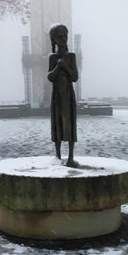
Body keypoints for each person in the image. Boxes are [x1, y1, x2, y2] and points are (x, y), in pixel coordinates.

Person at [47, 24, 78, 166]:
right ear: (54, 40)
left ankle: (71, 156)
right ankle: (58, 155)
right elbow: (50, 77)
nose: (64, 39)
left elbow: (74, 77)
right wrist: (58, 66)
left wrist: (64, 66)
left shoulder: (71, 57)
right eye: (60, 37)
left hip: (69, 94)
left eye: (65, 36)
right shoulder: (53, 58)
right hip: (57, 96)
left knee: (70, 123)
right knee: (57, 123)